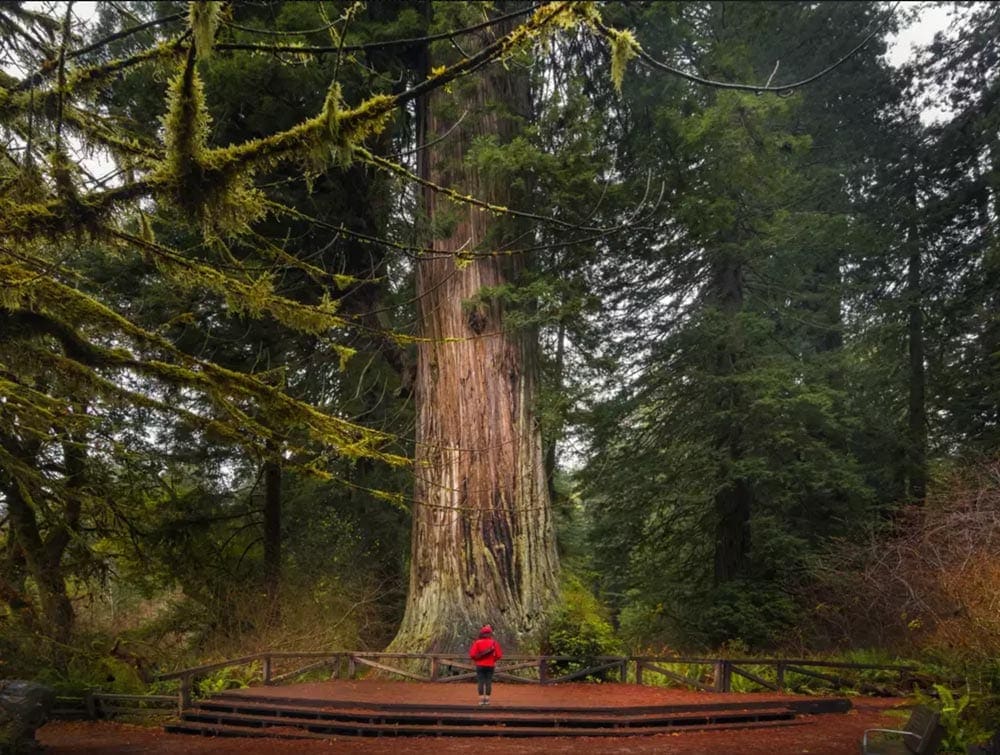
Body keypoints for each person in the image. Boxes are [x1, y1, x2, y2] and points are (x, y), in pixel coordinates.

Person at [468, 624, 502, 705]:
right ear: (490, 634)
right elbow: (499, 655)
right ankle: (487, 700)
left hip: (480, 665)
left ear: (482, 634)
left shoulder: (477, 643)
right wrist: (493, 660)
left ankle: (481, 700)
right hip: (490, 665)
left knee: (481, 681)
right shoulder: (494, 643)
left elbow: (472, 655)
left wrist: (477, 659)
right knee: (488, 681)